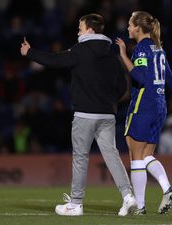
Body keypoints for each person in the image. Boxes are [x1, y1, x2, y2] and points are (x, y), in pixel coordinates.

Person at [20, 14, 136, 216]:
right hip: (108, 114)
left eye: (80, 28)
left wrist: (30, 52)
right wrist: (109, 101)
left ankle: (75, 203)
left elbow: (55, 61)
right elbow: (122, 85)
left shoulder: (80, 50)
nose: (78, 31)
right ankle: (128, 197)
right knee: (111, 155)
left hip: (85, 114)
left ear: (90, 30)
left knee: (81, 158)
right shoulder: (111, 52)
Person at [116, 11, 172, 215]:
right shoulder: (159, 48)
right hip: (160, 106)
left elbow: (141, 78)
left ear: (138, 27)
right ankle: (166, 188)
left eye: (130, 24)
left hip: (143, 106)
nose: (127, 27)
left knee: (135, 156)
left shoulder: (142, 49)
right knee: (146, 156)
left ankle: (141, 206)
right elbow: (169, 78)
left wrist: (124, 56)